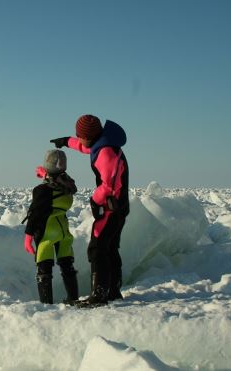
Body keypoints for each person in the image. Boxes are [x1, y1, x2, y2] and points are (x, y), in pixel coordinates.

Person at [51, 114, 129, 307]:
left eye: (80, 136)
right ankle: (112, 291)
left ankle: (99, 296)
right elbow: (85, 146)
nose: (79, 139)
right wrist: (66, 142)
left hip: (112, 207)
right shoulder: (102, 143)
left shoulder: (106, 153)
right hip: (117, 206)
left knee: (98, 248)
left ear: (89, 135)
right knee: (110, 247)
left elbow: (109, 186)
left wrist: (94, 200)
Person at [23, 149, 79, 305]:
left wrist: (28, 237)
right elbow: (59, 181)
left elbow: (35, 214)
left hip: (47, 232)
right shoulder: (68, 187)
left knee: (44, 268)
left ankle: (46, 304)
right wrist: (47, 175)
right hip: (63, 231)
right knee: (67, 265)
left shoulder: (41, 190)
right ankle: (73, 298)